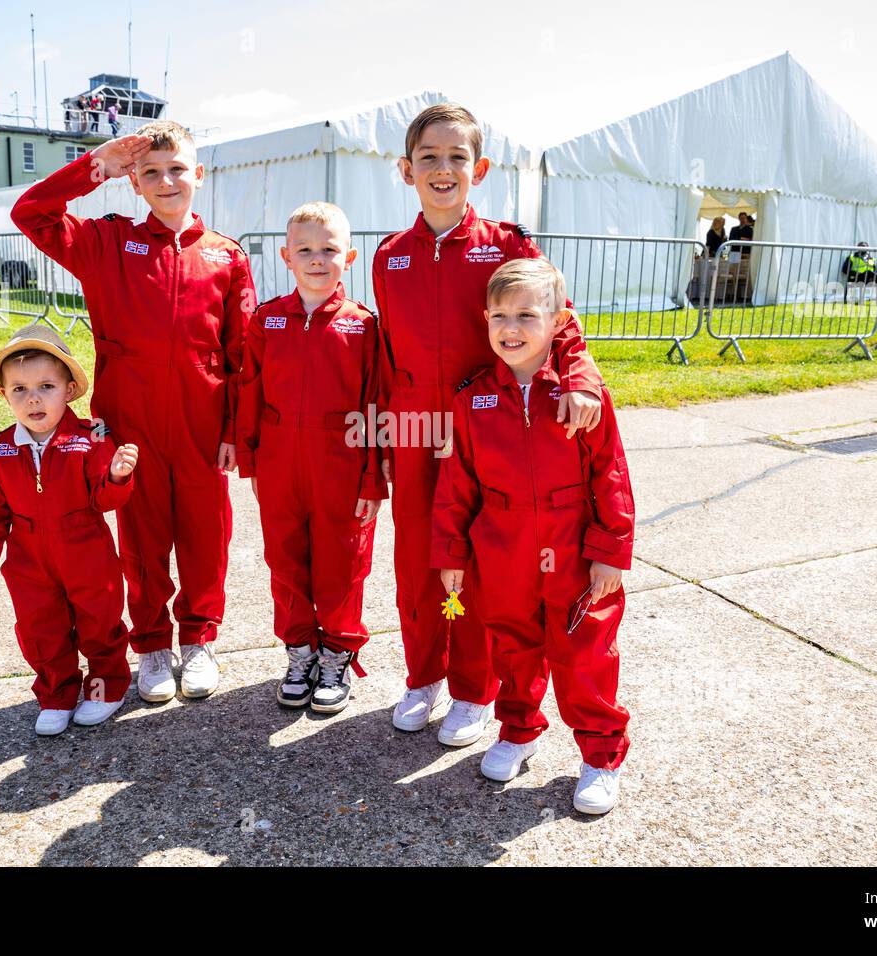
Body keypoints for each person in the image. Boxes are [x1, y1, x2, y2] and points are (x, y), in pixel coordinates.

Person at [372, 103, 605, 747]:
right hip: (418, 432)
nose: (442, 170)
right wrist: (387, 439)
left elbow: (561, 323)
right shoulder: (390, 256)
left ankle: (474, 690)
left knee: (479, 563)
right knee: (419, 560)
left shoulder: (508, 246)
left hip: (490, 429)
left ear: (480, 167)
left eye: (456, 158)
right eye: (428, 158)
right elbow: (387, 356)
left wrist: (580, 380)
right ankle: (423, 676)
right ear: (406, 169)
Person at [12, 120, 256, 703]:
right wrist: (95, 165)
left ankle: (198, 639)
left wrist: (234, 431)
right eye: (150, 172)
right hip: (130, 425)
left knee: (205, 535)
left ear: (198, 175)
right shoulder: (106, 243)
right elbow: (32, 213)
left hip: (202, 425)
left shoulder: (225, 256)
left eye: (177, 169)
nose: (166, 180)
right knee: (141, 541)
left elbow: (242, 354)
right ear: (134, 183)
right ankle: (151, 646)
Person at [432, 258, 635, 815]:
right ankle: (519, 730)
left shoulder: (580, 397)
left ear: (558, 322)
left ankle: (599, 754)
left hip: (572, 544)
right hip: (501, 546)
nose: (511, 328)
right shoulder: (473, 399)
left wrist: (611, 551)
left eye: (526, 314)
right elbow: (456, 483)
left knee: (583, 652)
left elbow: (610, 474)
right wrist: (452, 552)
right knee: (513, 645)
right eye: (500, 315)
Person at [237, 202, 386, 714]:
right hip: (280, 461)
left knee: (342, 562)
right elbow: (249, 391)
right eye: (305, 250)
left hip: (341, 462)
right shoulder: (267, 320)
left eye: (328, 250)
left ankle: (337, 652)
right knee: (285, 558)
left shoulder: (363, 325)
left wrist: (372, 478)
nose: (317, 259)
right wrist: (252, 461)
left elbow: (375, 402)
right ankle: (299, 650)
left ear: (349, 254)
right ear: (286, 256)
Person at [0, 325, 139, 735]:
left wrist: (115, 476)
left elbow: (105, 500)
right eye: (19, 389)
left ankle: (103, 688)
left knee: (99, 623)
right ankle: (56, 695)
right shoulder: (1, 448)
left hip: (86, 553)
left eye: (45, 386)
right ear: (4, 395)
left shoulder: (92, 435)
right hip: (29, 560)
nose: (33, 398)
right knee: (41, 629)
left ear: (70, 389)